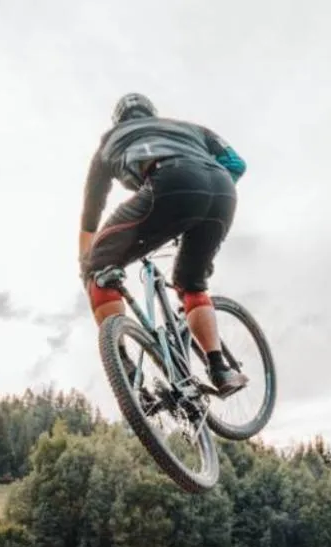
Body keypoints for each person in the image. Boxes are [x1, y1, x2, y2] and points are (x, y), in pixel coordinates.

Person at [78, 92, 248, 394]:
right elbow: (237, 163)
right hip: (222, 191)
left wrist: (87, 266)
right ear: (152, 113)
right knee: (191, 283)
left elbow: (91, 213)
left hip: (171, 182)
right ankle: (220, 369)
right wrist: (202, 200)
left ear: (119, 121)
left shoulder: (110, 140)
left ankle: (125, 369)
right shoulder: (188, 128)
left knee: (99, 265)